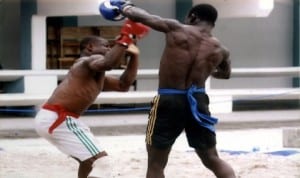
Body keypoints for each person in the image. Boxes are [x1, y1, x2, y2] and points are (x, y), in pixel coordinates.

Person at [100, 1, 236, 178]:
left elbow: (143, 16)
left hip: (169, 99)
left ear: (193, 17)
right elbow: (225, 74)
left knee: (156, 163)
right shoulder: (221, 50)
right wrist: (205, 71)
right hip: (199, 102)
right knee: (211, 158)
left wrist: (123, 7)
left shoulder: (177, 29)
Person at [34, 20, 149, 178]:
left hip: (57, 119)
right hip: (58, 119)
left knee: (88, 161)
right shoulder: (86, 62)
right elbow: (108, 63)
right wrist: (125, 39)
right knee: (103, 163)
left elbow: (123, 85)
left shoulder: (97, 74)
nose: (109, 48)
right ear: (90, 48)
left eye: (110, 46)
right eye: (106, 46)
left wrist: (134, 56)